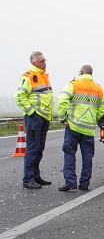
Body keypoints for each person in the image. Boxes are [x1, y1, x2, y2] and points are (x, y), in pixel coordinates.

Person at [57, 65, 104, 191]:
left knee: (69, 154)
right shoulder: (99, 89)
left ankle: (70, 182)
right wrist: (93, 119)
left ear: (81, 72)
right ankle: (84, 184)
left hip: (73, 126)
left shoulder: (73, 84)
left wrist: (63, 118)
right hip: (88, 128)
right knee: (87, 157)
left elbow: (62, 99)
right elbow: (103, 109)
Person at [14, 51, 54, 189]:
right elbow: (19, 97)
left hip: (44, 118)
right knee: (32, 149)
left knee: (39, 149)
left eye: (45, 60)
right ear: (34, 62)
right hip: (34, 118)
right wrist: (32, 112)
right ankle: (28, 179)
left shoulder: (44, 77)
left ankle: (36, 177)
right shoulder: (28, 76)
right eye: (42, 61)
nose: (44, 63)